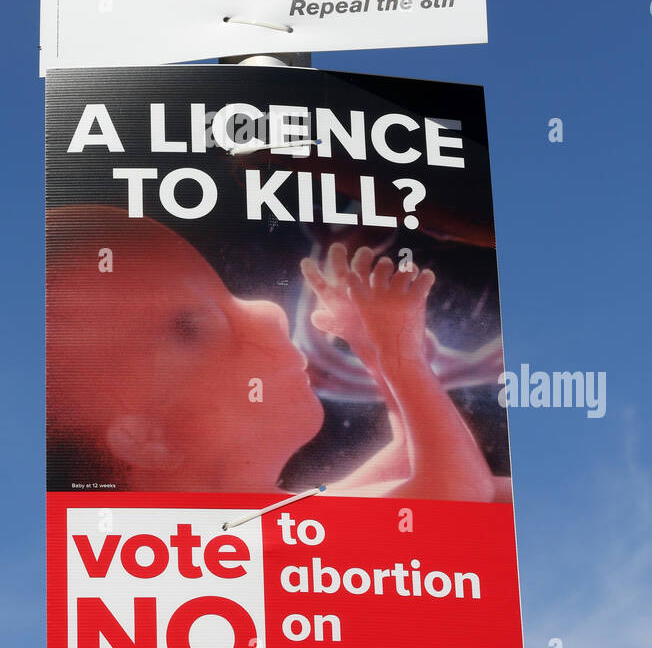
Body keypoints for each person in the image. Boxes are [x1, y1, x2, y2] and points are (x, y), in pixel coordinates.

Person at [47, 204, 506, 501]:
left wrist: (371, 347)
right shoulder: (239, 544)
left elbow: (412, 461)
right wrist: (398, 354)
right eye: (194, 329)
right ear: (149, 437)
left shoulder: (276, 514)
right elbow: (461, 496)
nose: (270, 312)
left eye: (227, 294)